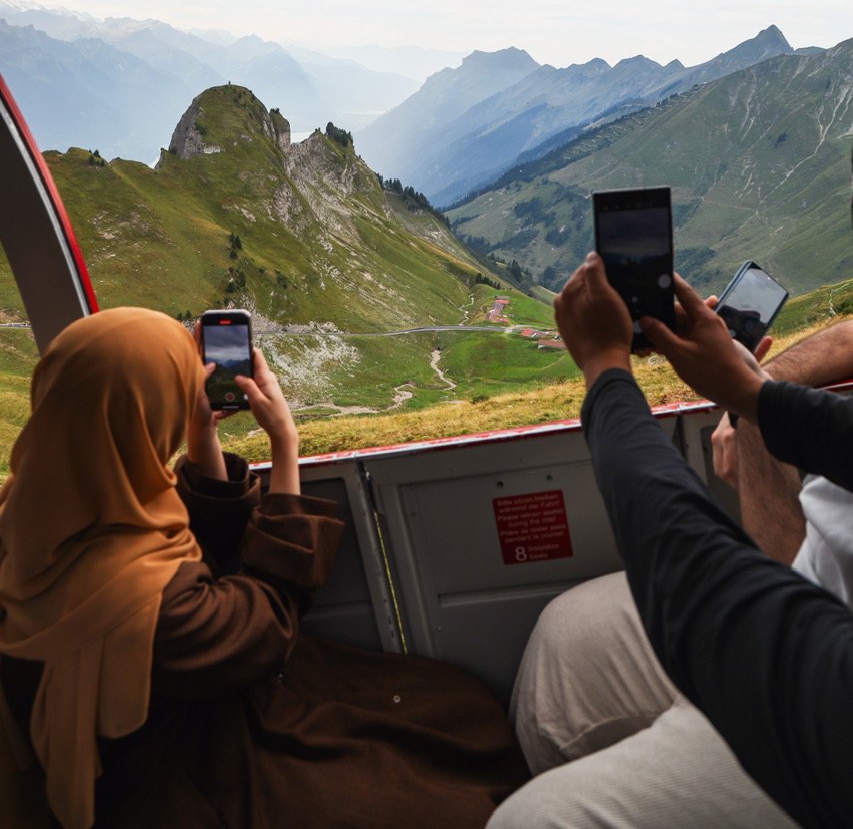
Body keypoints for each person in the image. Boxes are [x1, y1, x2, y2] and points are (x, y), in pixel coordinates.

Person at [0, 307, 528, 829]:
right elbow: (264, 619)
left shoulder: (39, 507)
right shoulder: (144, 604)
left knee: (455, 714)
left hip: (188, 723)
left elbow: (165, 533)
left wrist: (201, 435)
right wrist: (285, 446)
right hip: (193, 770)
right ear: (143, 415)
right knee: (452, 768)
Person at [492, 254, 853, 829]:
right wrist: (753, 390)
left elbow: (699, 590)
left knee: (532, 821)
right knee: (563, 638)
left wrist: (607, 373)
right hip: (809, 581)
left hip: (825, 709)